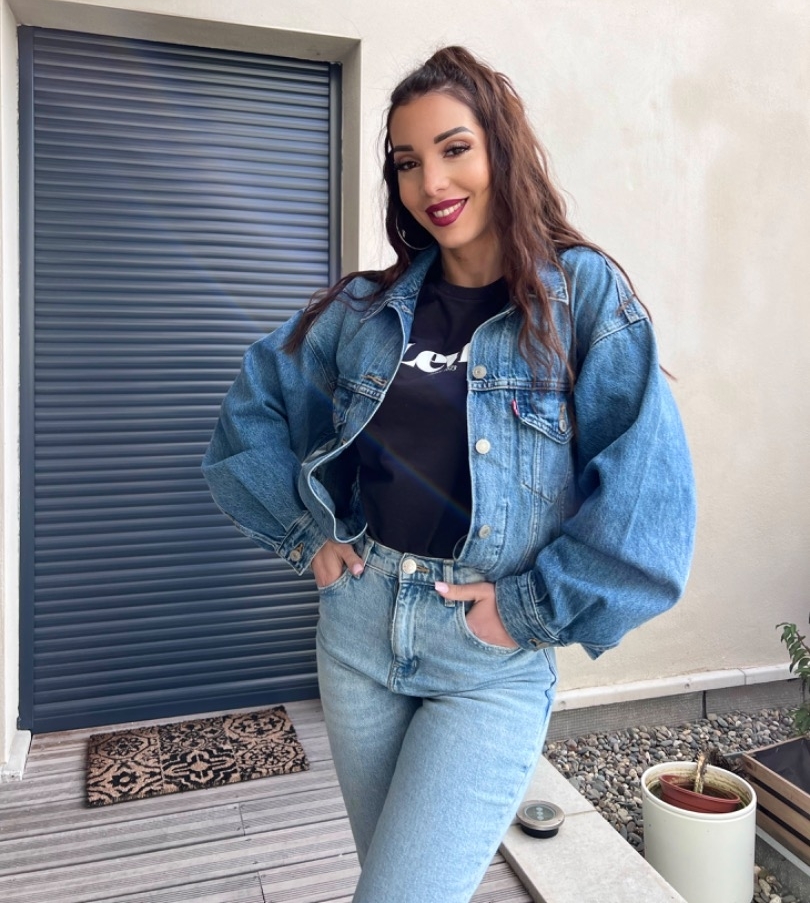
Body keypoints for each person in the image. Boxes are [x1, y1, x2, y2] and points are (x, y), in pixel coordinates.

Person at [202, 46, 696, 902]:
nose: (431, 181)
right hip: (358, 636)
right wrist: (307, 534)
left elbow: (648, 500)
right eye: (406, 162)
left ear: (501, 149)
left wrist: (531, 608)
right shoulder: (363, 312)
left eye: (454, 148)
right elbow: (252, 409)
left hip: (485, 658)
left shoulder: (580, 297)